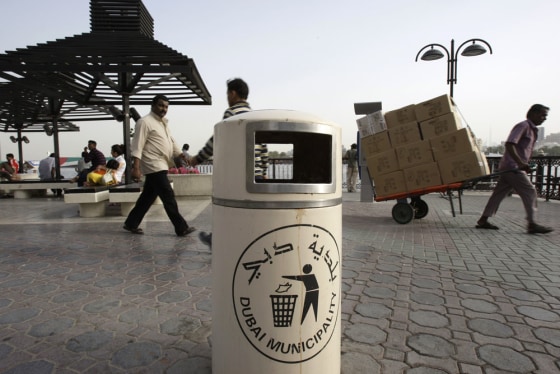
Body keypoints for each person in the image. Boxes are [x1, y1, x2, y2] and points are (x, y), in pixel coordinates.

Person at [190, 78, 267, 247]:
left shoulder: (231, 113)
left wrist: (198, 158)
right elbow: (263, 147)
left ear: (233, 93)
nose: (227, 97)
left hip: (239, 174)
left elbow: (218, 140)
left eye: (227, 94)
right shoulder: (255, 117)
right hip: (257, 175)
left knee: (229, 208)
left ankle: (218, 240)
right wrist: (263, 171)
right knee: (253, 211)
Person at [123, 94, 195, 236]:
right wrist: (136, 168)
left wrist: (181, 154)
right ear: (153, 105)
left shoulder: (163, 123)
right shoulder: (144, 122)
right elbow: (137, 145)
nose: (164, 109)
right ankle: (181, 227)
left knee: (147, 197)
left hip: (161, 163)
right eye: (161, 105)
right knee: (168, 195)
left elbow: (171, 142)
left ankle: (131, 223)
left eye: (166, 106)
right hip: (153, 164)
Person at [476, 104, 554, 234]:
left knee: (498, 194)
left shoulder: (531, 129)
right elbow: (510, 144)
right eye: (542, 115)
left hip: (512, 167)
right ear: (533, 113)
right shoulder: (523, 126)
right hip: (513, 168)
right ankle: (532, 223)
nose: (544, 118)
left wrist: (524, 163)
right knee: (530, 191)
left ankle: (483, 219)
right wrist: (520, 163)